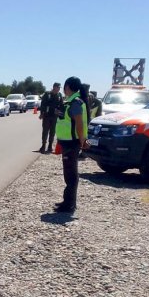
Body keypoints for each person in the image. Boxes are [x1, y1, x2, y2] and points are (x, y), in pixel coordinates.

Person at [54, 76, 89, 213]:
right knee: (69, 173)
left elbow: (79, 124)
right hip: (68, 142)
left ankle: (69, 204)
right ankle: (68, 201)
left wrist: (82, 142)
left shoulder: (75, 102)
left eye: (64, 87)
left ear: (68, 87)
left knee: (70, 174)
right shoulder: (70, 101)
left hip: (71, 143)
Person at [38, 82, 63, 153]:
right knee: (45, 131)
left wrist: (60, 113)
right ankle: (43, 146)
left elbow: (61, 105)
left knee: (52, 132)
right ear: (54, 87)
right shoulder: (47, 94)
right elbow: (43, 104)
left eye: (59, 88)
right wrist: (41, 113)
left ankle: (50, 146)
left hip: (55, 116)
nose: (58, 89)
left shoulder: (59, 95)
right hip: (47, 116)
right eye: (57, 87)